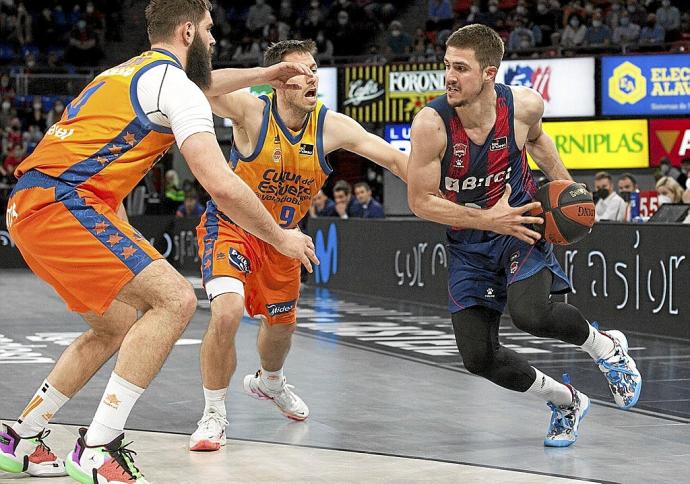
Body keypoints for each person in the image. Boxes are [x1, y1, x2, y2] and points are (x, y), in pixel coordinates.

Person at [0, 1, 318, 482]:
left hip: (30, 204)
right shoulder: (176, 87)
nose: (214, 41)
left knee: (116, 324)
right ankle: (98, 448)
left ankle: (23, 436)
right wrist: (282, 238)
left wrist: (267, 72)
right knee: (175, 300)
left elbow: (107, 163)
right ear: (188, 31)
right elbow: (222, 185)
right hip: (62, 204)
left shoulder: (124, 73)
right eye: (210, 31)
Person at [406, 24, 641, 448]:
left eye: (461, 68)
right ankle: (566, 401)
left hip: (522, 224)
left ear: (490, 73)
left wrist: (572, 193)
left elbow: (538, 142)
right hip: (470, 245)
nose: (450, 77)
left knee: (530, 314)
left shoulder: (524, 106)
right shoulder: (431, 125)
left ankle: (605, 347)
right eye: (447, 66)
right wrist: (487, 221)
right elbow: (421, 201)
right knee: (478, 358)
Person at [188, 39, 407, 451]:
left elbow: (396, 160)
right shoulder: (252, 110)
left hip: (285, 241)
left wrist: (448, 196)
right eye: (298, 70)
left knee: (281, 331)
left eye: (313, 69)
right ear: (278, 81)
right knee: (228, 311)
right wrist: (262, 77)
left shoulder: (332, 126)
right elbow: (198, 85)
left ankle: (270, 382)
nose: (311, 77)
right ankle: (214, 414)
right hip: (232, 227)